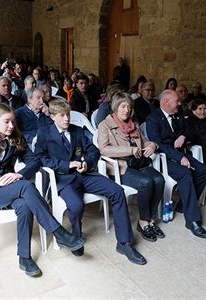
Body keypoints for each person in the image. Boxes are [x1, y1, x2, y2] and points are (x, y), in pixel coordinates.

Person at [0, 103, 86, 276]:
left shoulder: (16, 138)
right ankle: (59, 233)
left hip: (12, 188)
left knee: (24, 205)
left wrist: (20, 174)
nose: (11, 126)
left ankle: (24, 258)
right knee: (26, 186)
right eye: (7, 122)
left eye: (13, 122)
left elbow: (34, 161)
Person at [35, 99, 147, 265]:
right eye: (62, 116)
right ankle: (76, 235)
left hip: (86, 174)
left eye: (68, 115)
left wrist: (87, 162)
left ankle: (124, 243)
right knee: (76, 205)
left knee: (117, 192)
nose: (67, 119)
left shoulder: (77, 131)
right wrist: (67, 165)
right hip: (64, 179)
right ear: (52, 117)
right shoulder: (44, 133)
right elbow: (40, 158)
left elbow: (93, 151)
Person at [98, 93, 165, 242]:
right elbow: (104, 150)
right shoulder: (105, 125)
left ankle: (151, 220)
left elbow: (144, 142)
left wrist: (153, 145)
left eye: (129, 106)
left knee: (159, 180)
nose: (126, 110)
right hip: (121, 166)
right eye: (123, 106)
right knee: (146, 182)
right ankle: (143, 221)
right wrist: (130, 150)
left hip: (139, 162)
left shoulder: (133, 123)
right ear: (116, 107)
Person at [146, 90, 206, 239]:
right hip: (163, 159)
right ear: (166, 102)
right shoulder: (153, 119)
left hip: (180, 153)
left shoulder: (178, 113)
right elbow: (158, 144)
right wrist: (178, 157)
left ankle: (183, 204)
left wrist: (183, 135)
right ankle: (193, 221)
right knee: (185, 174)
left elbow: (189, 128)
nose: (179, 103)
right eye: (177, 101)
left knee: (204, 170)